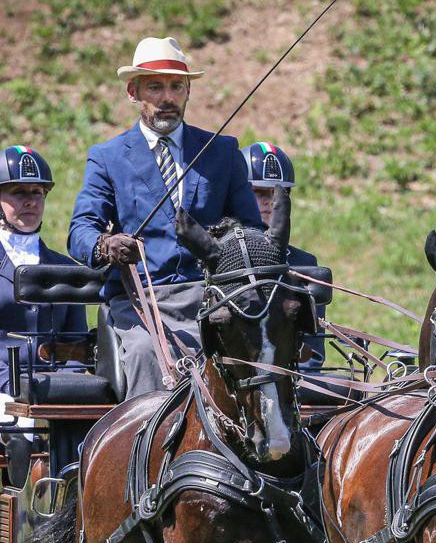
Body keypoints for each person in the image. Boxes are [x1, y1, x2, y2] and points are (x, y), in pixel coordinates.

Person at [68, 36, 262, 400]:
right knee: (143, 354)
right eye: (155, 87)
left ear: (188, 91)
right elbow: (80, 231)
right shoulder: (108, 157)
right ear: (133, 92)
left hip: (211, 297)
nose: (167, 98)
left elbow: (253, 230)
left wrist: (223, 246)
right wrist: (105, 245)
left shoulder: (221, 151)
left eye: (177, 87)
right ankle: (144, 453)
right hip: (141, 300)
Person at [0, 145, 88, 435]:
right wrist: (11, 382)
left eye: (37, 193)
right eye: (19, 193)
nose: (31, 202)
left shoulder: (65, 268)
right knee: (23, 428)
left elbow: (76, 341)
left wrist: (70, 385)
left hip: (54, 392)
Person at [240, 141, 325, 374]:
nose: (271, 201)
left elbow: (311, 354)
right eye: (259, 193)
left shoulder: (305, 263)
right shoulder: (217, 259)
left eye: (279, 193)